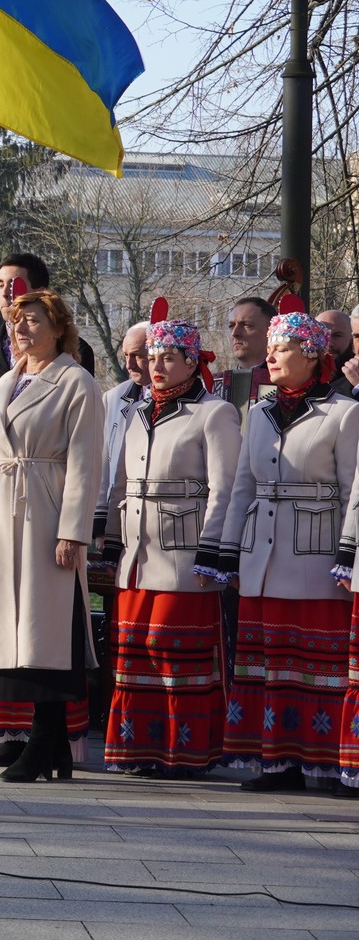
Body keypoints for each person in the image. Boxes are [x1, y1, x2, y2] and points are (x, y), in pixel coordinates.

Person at [0, 286, 105, 783]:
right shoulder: (4, 384)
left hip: (45, 512)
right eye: (17, 321)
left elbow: (86, 463)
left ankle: (44, 738)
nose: (21, 329)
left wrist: (73, 532)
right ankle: (52, 744)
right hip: (0, 517)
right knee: (11, 628)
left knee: (47, 629)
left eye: (34, 320)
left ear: (59, 328)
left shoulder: (76, 382)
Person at [216, 299, 356, 791]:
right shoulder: (258, 413)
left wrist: (348, 556)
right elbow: (242, 488)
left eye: (282, 348)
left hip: (316, 559)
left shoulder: (344, 414)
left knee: (317, 665)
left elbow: (352, 492)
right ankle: (276, 761)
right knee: (269, 664)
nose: (271, 356)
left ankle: (324, 763)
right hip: (263, 556)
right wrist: (228, 553)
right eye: (271, 347)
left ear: (313, 354)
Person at [98, 299, 238, 779]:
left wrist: (212, 552)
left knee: (173, 648)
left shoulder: (214, 413)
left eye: (169, 357)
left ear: (192, 362)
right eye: (152, 357)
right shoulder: (136, 412)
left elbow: (225, 488)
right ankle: (139, 747)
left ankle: (186, 750)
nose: (156, 366)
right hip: (137, 554)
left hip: (184, 553)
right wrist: (111, 543)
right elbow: (120, 483)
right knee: (134, 649)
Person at [0, 253, 96, 434]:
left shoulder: (74, 351)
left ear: (40, 293)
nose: (5, 293)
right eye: (0, 285)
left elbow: (83, 428)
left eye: (13, 285)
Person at [98, 322, 150, 543]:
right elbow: (103, 461)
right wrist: (100, 520)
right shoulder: (113, 398)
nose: (129, 364)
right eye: (126, 355)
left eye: (138, 355)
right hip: (117, 512)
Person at [224, 295, 275, 409]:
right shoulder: (216, 384)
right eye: (231, 326)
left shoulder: (287, 384)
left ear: (270, 332)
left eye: (247, 325)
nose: (235, 333)